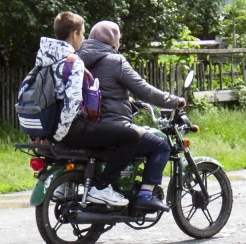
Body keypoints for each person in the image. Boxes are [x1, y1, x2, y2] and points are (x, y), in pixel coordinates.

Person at [34, 12, 140, 207]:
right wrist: (60, 133)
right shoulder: (73, 61)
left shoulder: (44, 57)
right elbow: (72, 102)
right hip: (70, 129)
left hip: (49, 128)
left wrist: (45, 132)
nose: (83, 39)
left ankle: (68, 183)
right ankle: (102, 188)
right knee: (130, 136)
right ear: (74, 34)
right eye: (82, 34)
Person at [78, 21, 185, 212]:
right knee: (161, 145)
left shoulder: (79, 58)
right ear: (113, 40)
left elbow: (104, 90)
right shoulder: (115, 61)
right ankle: (145, 194)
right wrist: (174, 101)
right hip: (114, 124)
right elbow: (144, 90)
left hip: (85, 125)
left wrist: (126, 100)